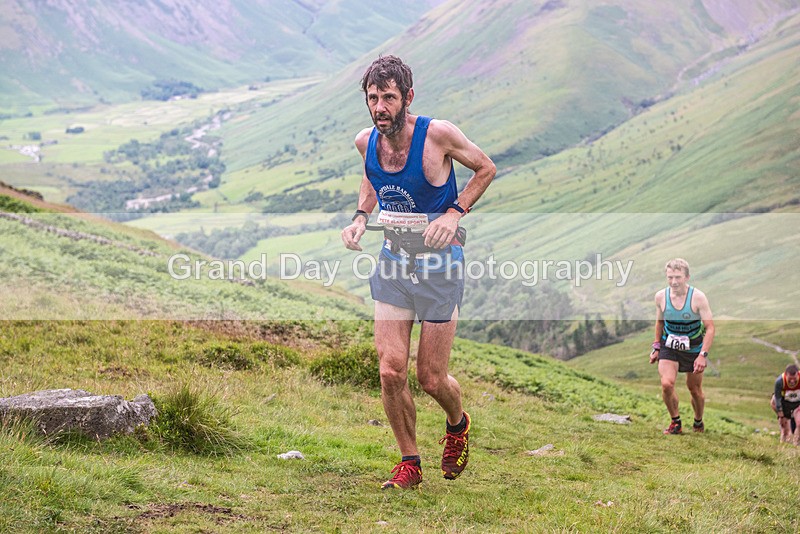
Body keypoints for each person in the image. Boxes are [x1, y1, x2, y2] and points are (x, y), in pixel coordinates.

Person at [341, 55, 496, 489]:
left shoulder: (437, 135)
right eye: (372, 98)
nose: (379, 107)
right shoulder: (365, 141)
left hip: (439, 269)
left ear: (407, 97)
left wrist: (454, 212)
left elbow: (485, 168)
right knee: (391, 370)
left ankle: (457, 422)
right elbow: (371, 177)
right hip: (393, 262)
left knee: (430, 377)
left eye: (388, 97)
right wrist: (359, 216)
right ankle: (409, 462)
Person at [649, 258, 715, 434]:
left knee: (694, 389)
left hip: (693, 348)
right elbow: (659, 323)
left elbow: (710, 328)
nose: (674, 282)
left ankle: (698, 420)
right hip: (669, 345)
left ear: (687, 277)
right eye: (670, 277)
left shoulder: (698, 298)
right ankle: (675, 422)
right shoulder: (661, 297)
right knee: (666, 384)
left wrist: (703, 355)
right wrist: (656, 347)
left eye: (678, 277)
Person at [770, 364, 800, 444]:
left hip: (798, 404)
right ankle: (783, 446)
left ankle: (796, 444)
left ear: (798, 374)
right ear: (786, 375)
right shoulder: (780, 381)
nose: (792, 381)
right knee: (785, 429)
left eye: (795, 379)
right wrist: (781, 414)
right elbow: (777, 398)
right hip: (784, 404)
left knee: (799, 423)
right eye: (790, 379)